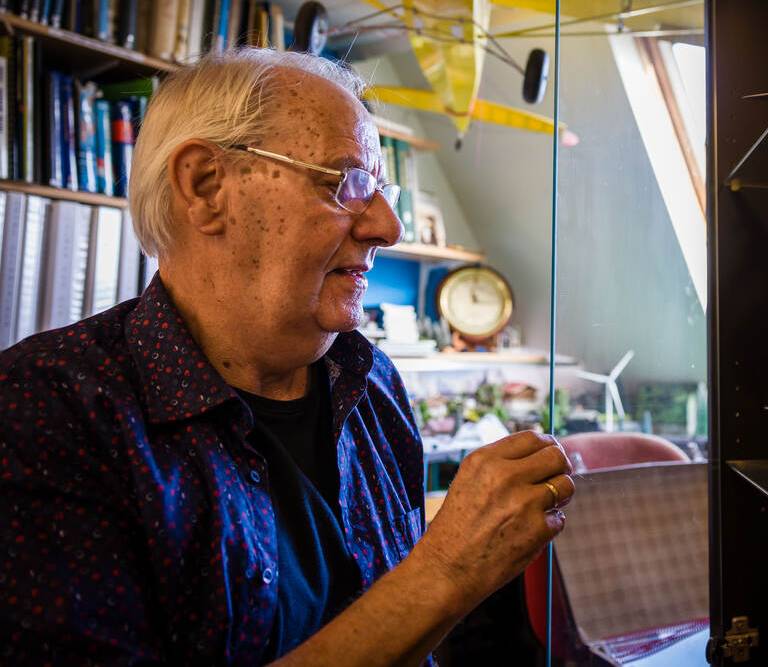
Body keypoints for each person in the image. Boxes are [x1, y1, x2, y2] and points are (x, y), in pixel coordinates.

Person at [0, 48, 574, 665]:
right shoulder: (46, 411)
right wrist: (447, 571)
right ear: (206, 187)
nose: (388, 227)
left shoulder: (371, 381)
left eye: (381, 191)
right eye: (346, 184)